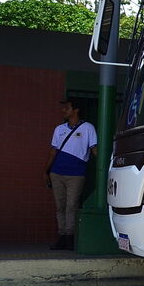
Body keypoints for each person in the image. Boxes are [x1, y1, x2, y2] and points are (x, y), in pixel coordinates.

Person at [45, 98, 97, 250]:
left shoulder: (88, 128)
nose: (63, 110)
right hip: (57, 173)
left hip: (76, 174)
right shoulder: (59, 129)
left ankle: (70, 238)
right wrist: (45, 171)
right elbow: (53, 152)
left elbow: (95, 150)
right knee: (60, 207)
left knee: (71, 206)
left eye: (66, 108)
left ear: (76, 110)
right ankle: (62, 237)